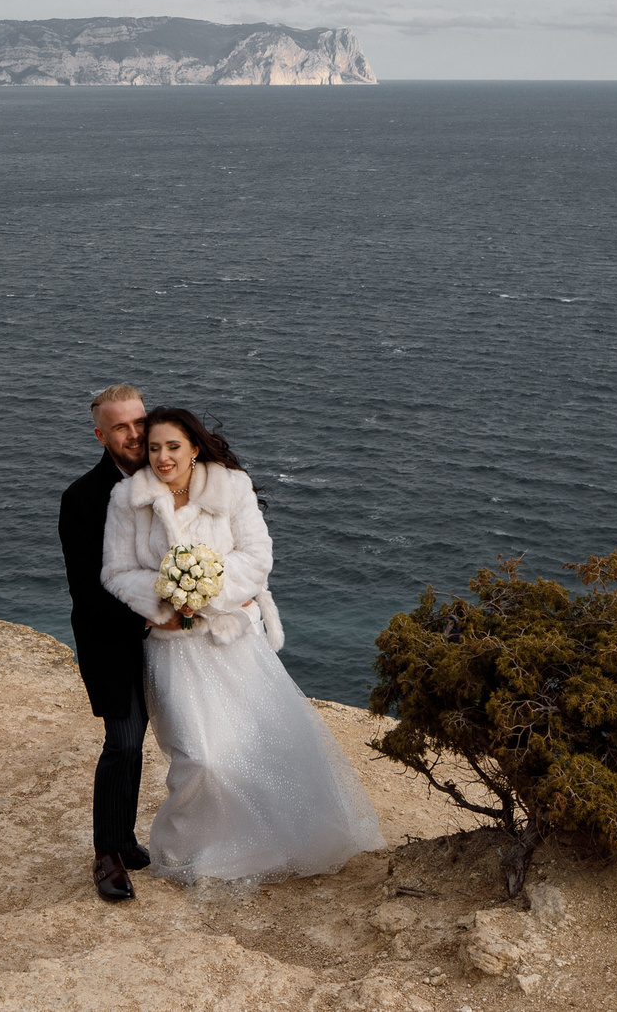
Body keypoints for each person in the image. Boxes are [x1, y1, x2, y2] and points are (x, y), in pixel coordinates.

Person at [101, 406, 384, 883]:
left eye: (173, 446)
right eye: (154, 448)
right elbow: (118, 571)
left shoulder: (231, 487)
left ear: (194, 446)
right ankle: (191, 849)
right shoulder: (127, 498)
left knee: (257, 747)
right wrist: (165, 604)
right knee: (200, 757)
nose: (163, 457)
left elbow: (256, 557)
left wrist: (205, 594)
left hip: (230, 641)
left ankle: (262, 845)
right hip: (171, 650)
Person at [58, 383, 153, 902]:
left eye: (139, 421)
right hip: (111, 640)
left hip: (168, 639)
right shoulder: (81, 498)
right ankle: (107, 855)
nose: (135, 433)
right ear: (100, 434)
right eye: (121, 426)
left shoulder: (171, 478)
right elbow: (86, 591)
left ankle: (127, 838)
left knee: (149, 744)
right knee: (123, 741)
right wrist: (151, 618)